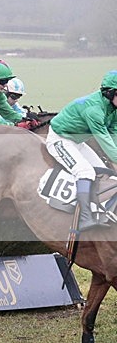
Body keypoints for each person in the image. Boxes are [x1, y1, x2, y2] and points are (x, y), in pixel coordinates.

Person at [45, 70, 117, 231]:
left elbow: (114, 136)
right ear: (110, 93)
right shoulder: (94, 111)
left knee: (104, 172)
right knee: (85, 172)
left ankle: (96, 210)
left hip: (77, 141)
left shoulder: (113, 109)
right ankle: (84, 218)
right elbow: (106, 144)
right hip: (60, 139)